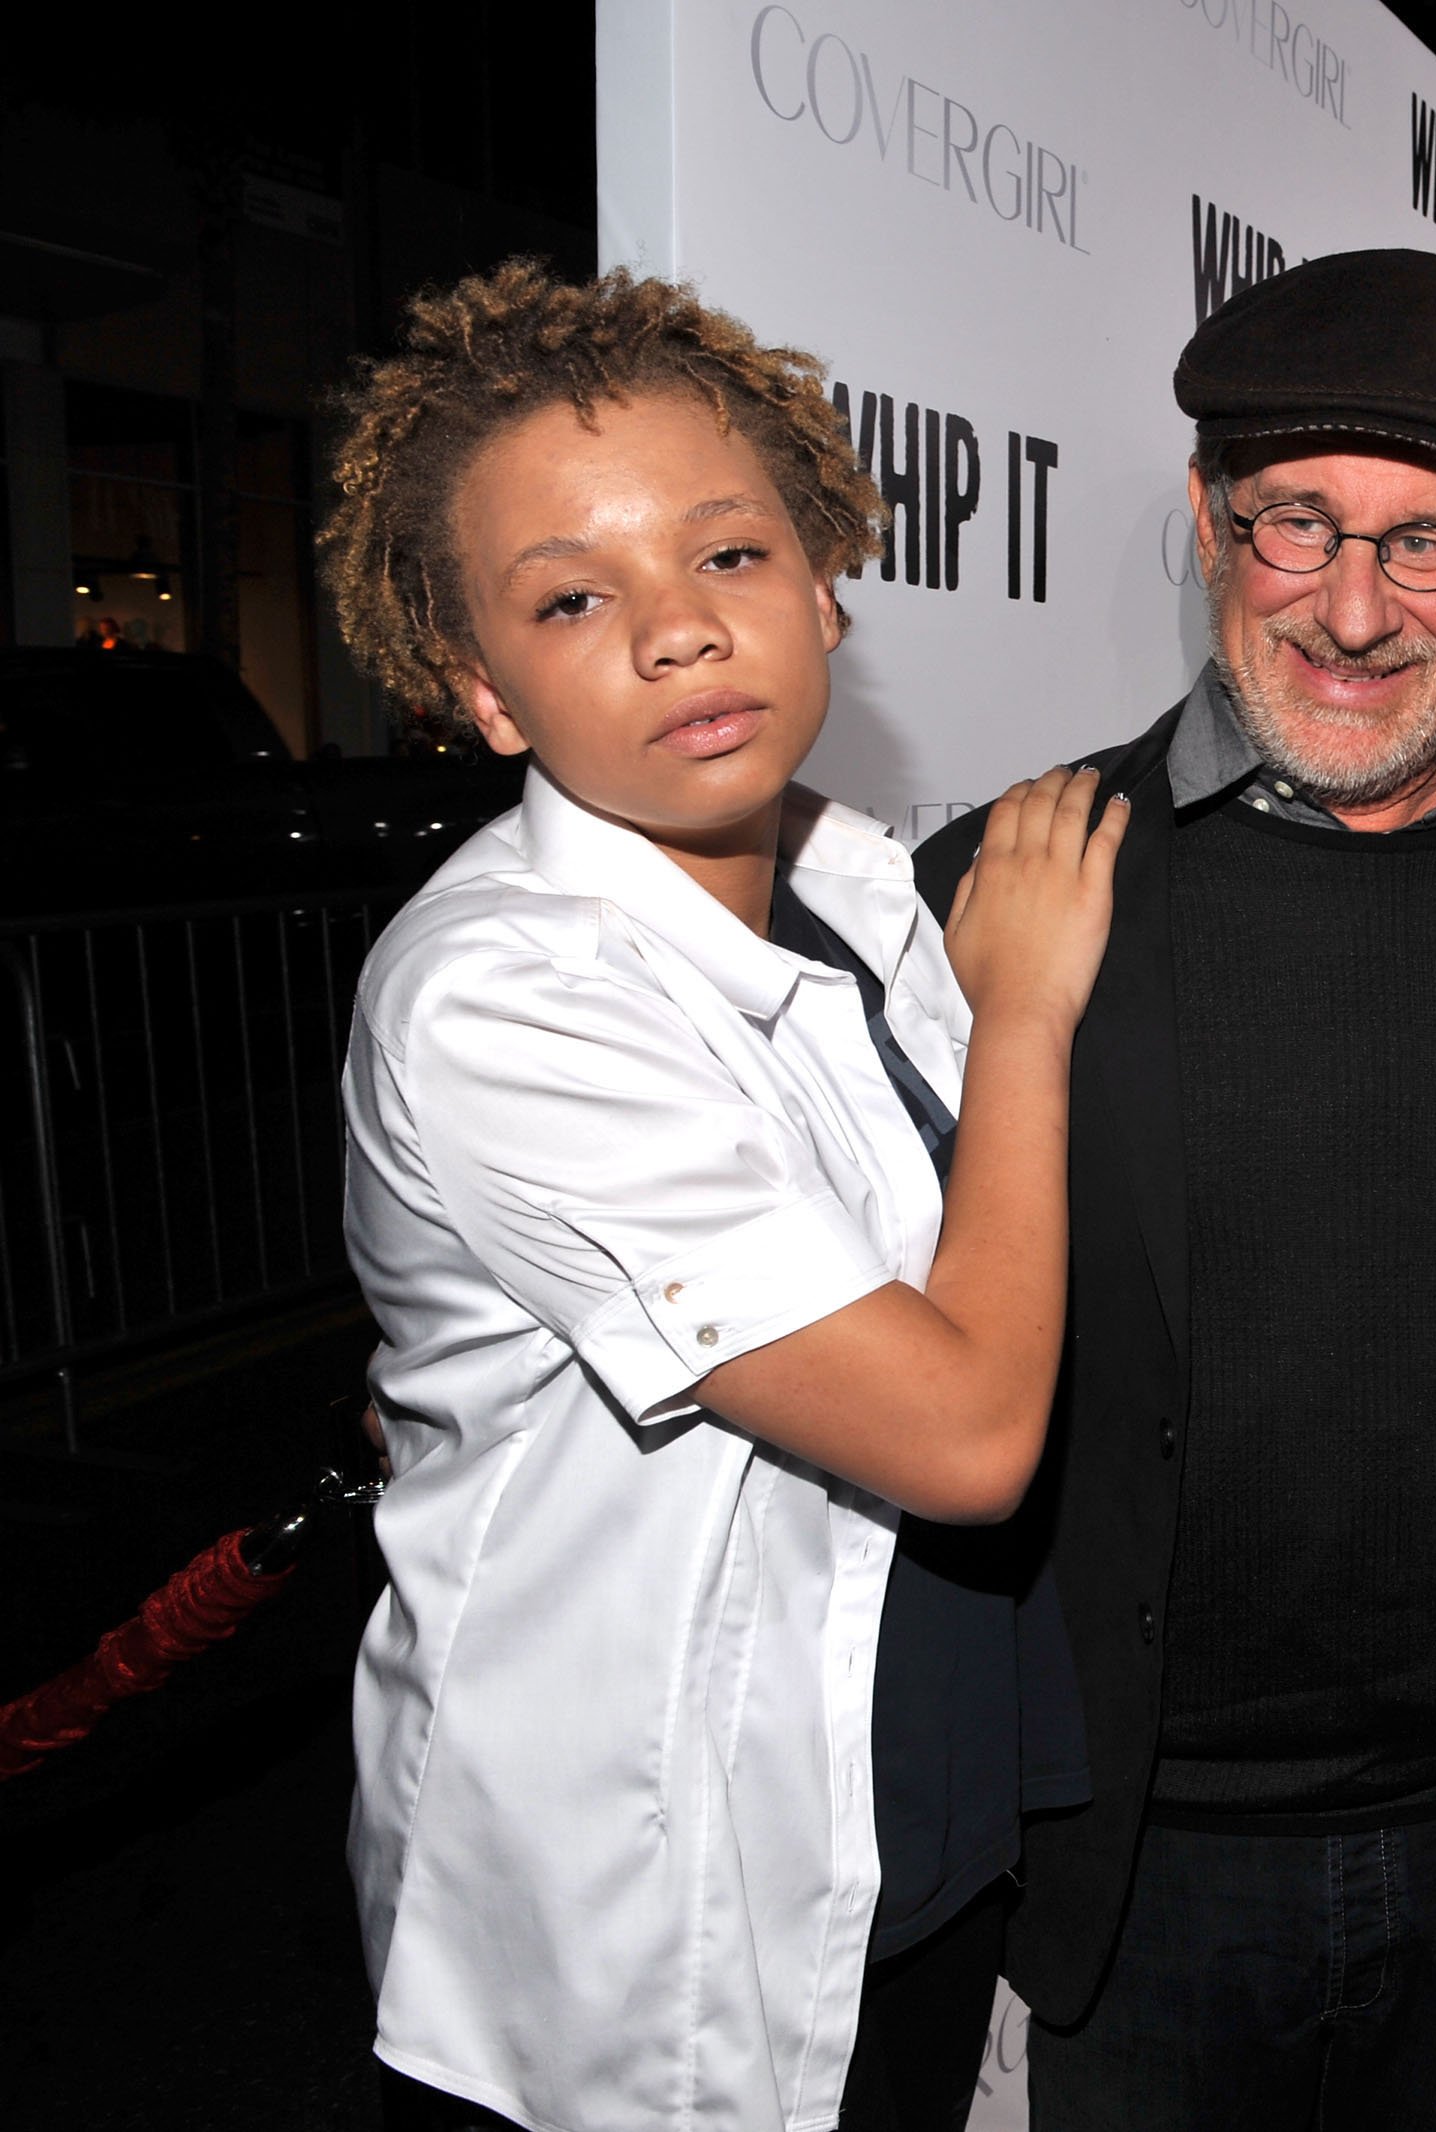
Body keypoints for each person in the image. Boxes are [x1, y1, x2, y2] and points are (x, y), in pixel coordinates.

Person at [323, 264, 1120, 2132]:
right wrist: (1025, 1020)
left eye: (731, 557)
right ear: (477, 686)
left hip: (908, 1835)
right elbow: (969, 1428)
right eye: (575, 599)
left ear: (829, 573)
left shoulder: (848, 875)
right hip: (650, 1931)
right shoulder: (501, 991)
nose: (680, 635)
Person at [908, 249, 1436, 2129]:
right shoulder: (1005, 885)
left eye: (1429, 546)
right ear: (1207, 523)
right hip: (1131, 1869)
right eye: (1297, 523)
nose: (1354, 606)